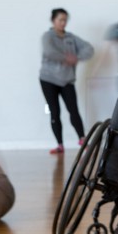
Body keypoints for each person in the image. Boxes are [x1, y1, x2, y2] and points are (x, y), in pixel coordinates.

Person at [39, 8, 94, 154]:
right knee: (54, 112)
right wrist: (66, 58)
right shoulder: (47, 36)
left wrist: (78, 57)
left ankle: (82, 139)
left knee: (74, 110)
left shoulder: (71, 38)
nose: (63, 23)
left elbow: (89, 49)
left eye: (65, 20)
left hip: (67, 80)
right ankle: (60, 145)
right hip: (48, 80)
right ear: (53, 20)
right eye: (60, 20)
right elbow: (49, 52)